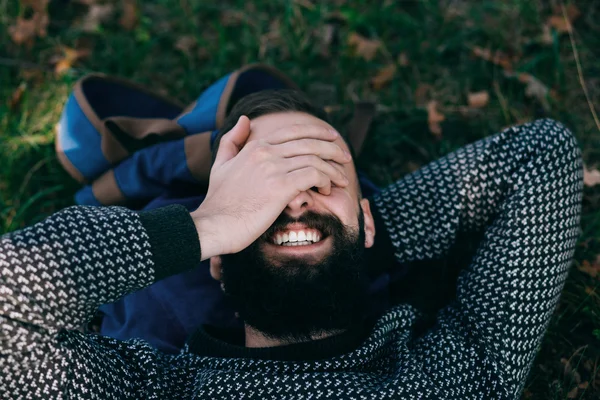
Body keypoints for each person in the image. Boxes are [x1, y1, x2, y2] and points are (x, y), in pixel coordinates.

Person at [0, 89, 583, 399]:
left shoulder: (456, 376)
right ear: (220, 260)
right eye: (266, 189)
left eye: (319, 177)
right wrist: (203, 227)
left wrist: (349, 234)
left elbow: (541, 156)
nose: (297, 199)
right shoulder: (152, 388)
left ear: (370, 222)